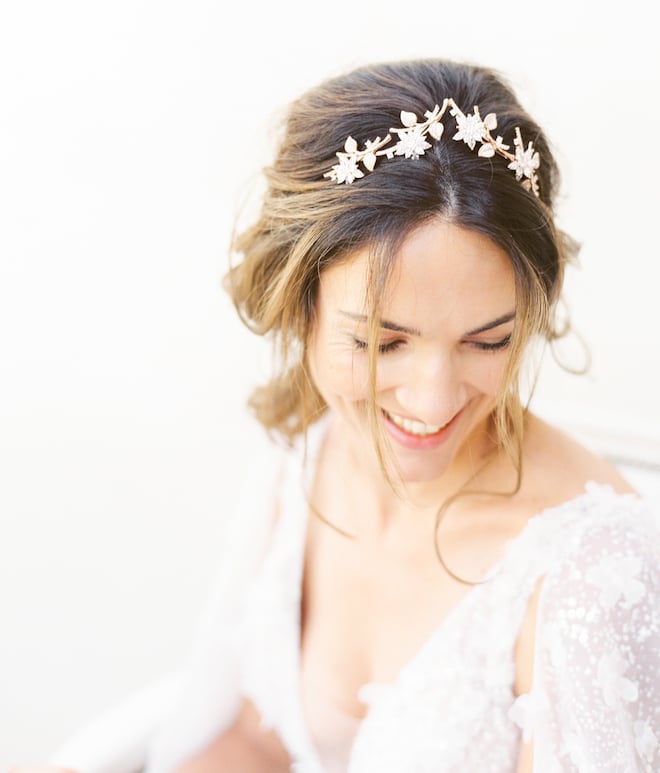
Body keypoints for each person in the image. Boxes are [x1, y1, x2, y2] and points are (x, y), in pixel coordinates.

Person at [16, 58, 660, 773]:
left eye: (488, 340)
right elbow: (259, 739)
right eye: (381, 341)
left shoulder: (589, 571)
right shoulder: (310, 452)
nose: (433, 399)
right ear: (300, 306)